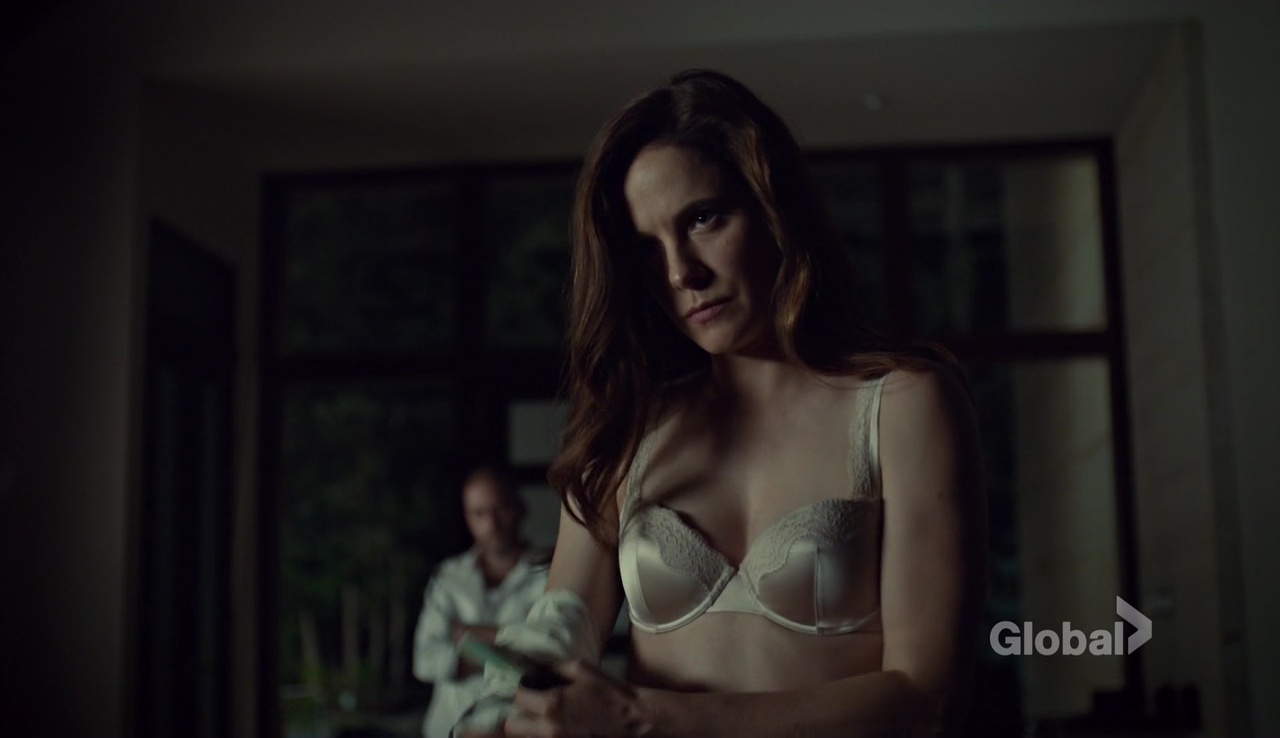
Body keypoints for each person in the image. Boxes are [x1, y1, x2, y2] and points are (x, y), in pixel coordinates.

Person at [458, 69, 987, 738]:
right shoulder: (625, 432)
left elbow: (926, 699)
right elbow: (551, 642)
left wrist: (643, 720)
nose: (682, 272)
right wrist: (498, 716)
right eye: (647, 248)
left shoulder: (904, 407)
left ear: (774, 209)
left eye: (703, 219)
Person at [413, 466, 549, 738]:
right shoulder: (449, 577)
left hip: (516, 729)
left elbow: (548, 654)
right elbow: (425, 660)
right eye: (479, 513)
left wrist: (471, 636)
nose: (491, 524)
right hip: (447, 727)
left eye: (501, 509)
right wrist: (509, 646)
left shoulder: (548, 574)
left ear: (520, 508)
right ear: (467, 517)